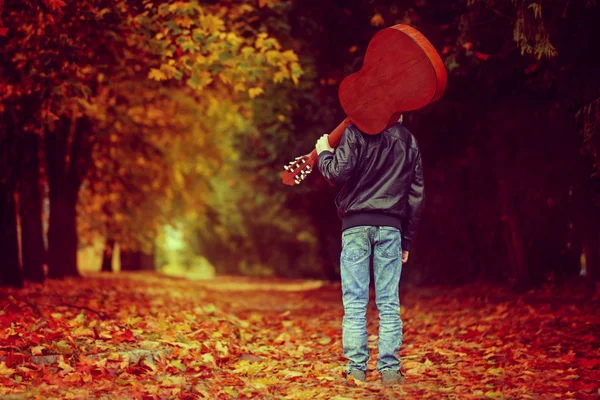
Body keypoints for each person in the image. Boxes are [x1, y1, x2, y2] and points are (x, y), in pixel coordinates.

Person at [315, 115, 424, 385]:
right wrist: (406, 239)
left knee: (354, 303)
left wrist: (323, 154)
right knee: (389, 302)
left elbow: (337, 173)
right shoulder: (409, 141)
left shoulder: (355, 132)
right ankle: (389, 370)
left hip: (355, 226)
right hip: (391, 228)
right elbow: (416, 195)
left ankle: (356, 370)